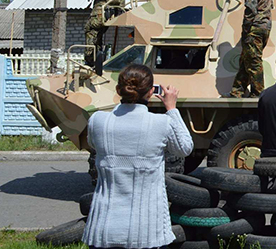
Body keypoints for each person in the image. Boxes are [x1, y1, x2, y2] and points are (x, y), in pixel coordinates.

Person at [82, 64, 193, 249]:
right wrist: (172, 108)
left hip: (103, 228)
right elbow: (185, 148)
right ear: (151, 92)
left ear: (118, 90)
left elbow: (93, 144)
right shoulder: (161, 123)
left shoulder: (97, 121)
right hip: (147, 232)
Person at [230, 0, 274, 98]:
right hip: (265, 26)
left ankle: (258, 93)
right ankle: (237, 91)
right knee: (246, 59)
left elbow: (250, 9)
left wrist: (247, 28)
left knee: (254, 61)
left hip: (254, 27)